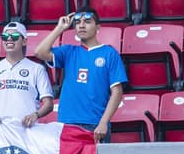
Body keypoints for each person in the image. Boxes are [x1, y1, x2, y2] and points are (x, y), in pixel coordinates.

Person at [34, 10, 127, 142]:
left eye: (87, 22)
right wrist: (60, 28)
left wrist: (103, 122)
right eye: (77, 23)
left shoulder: (109, 53)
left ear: (98, 27)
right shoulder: (68, 51)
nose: (81, 26)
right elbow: (39, 52)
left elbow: (117, 92)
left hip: (94, 124)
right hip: (67, 123)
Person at [0, 22, 54, 127]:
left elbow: (48, 103)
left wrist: (35, 115)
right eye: (5, 36)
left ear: (24, 41)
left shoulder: (37, 69)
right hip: (0, 131)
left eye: (15, 36)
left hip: (27, 130)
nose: (9, 39)